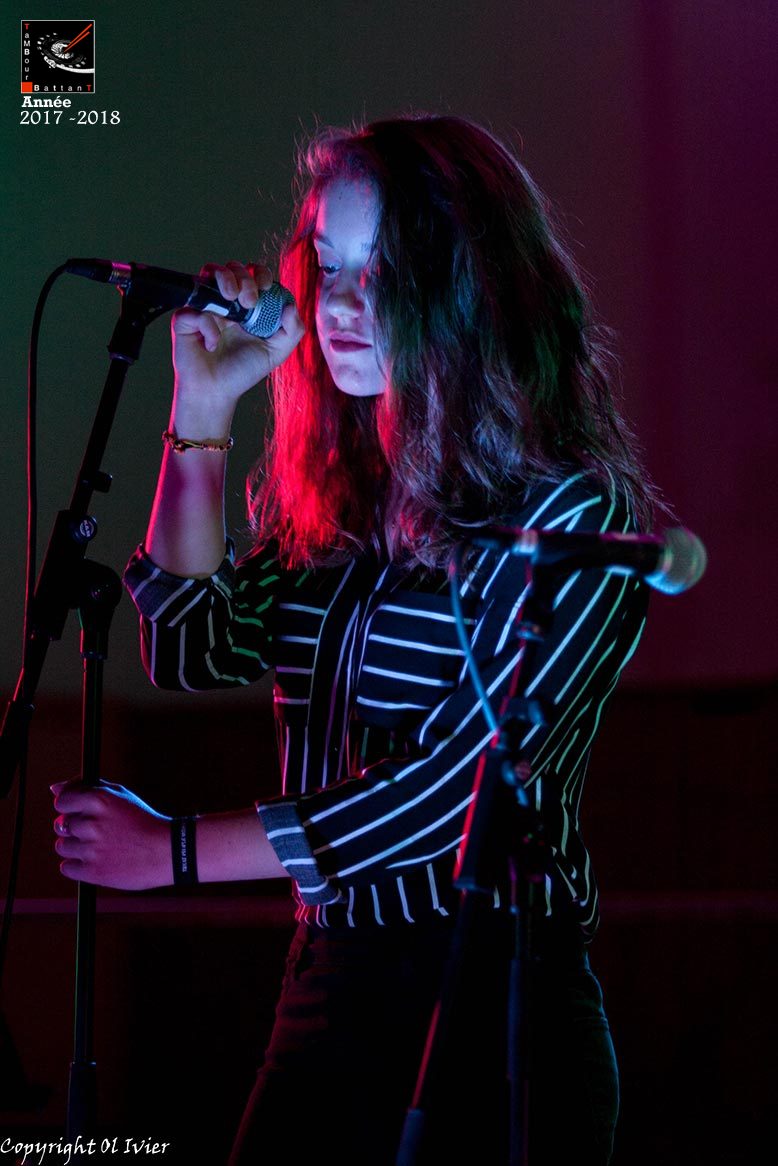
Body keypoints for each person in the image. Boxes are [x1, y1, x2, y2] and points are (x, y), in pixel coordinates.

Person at [50, 114, 657, 1165]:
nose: (336, 302)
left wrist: (175, 852)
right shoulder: (342, 499)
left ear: (466, 286)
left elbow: (451, 795)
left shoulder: (570, 514)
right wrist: (203, 408)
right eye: (327, 265)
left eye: (381, 274)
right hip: (329, 977)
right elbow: (190, 647)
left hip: (492, 994)